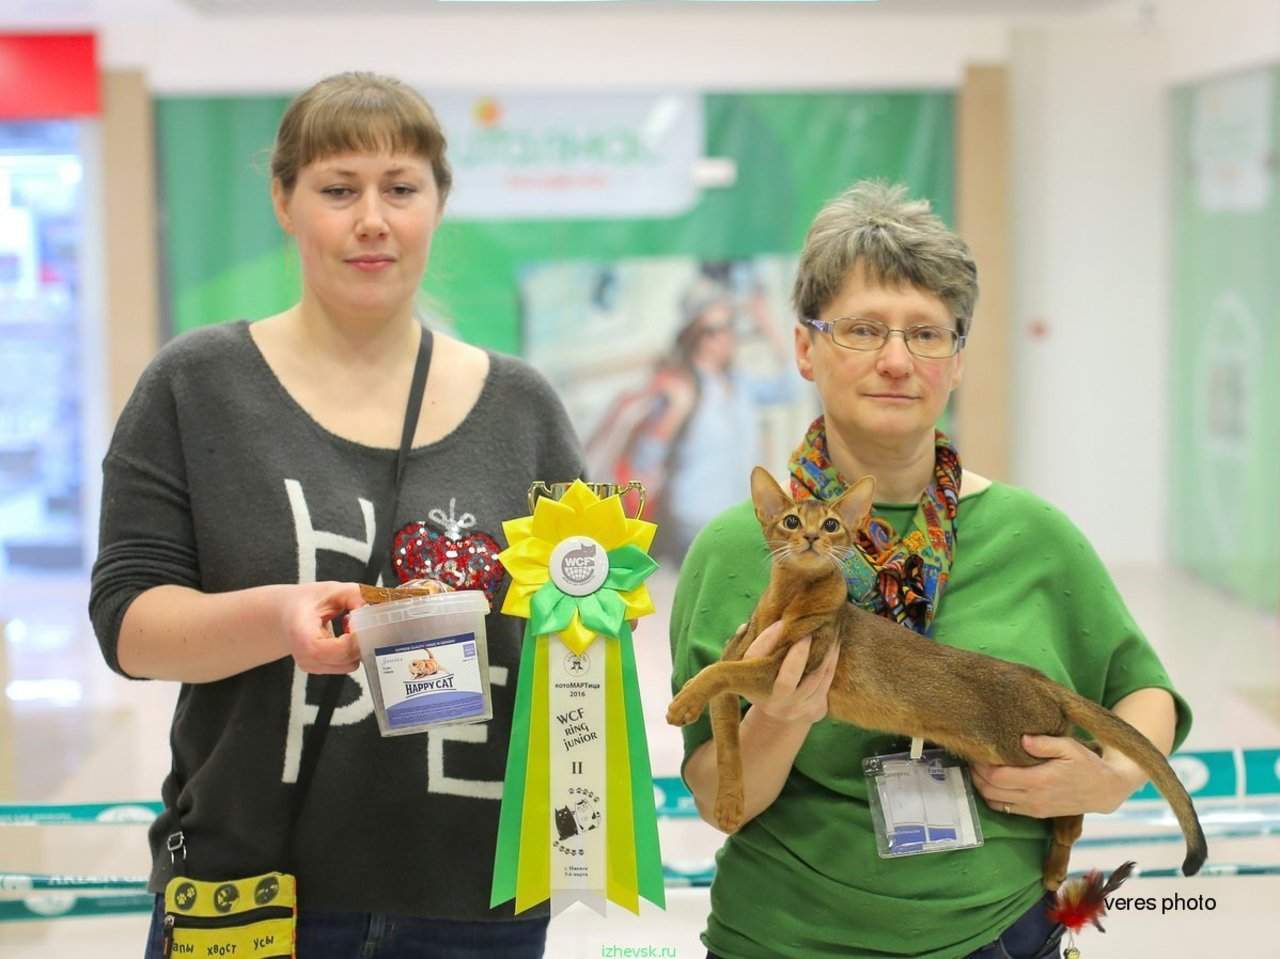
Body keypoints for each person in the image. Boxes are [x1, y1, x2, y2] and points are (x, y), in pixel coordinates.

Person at [89, 72, 582, 958]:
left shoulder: (524, 409)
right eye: (339, 189)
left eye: (401, 188)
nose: (373, 220)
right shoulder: (197, 385)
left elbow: (577, 632)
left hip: (474, 902)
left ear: (437, 204)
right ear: (285, 201)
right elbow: (129, 625)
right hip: (245, 888)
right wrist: (277, 617)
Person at [669, 181, 1191, 959]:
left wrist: (1110, 778)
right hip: (785, 940)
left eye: (927, 333)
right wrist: (780, 715)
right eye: (862, 329)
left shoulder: (1034, 536)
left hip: (1000, 936)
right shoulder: (736, 551)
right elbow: (722, 801)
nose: (895, 360)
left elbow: (1143, 691)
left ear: (957, 360)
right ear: (805, 348)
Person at [589, 271, 794, 561]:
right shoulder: (678, 385)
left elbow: (793, 387)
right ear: (696, 336)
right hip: (693, 527)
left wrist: (767, 324)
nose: (725, 337)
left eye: (730, 326)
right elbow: (645, 461)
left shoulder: (741, 385)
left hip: (739, 522)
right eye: (714, 330)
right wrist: (674, 412)